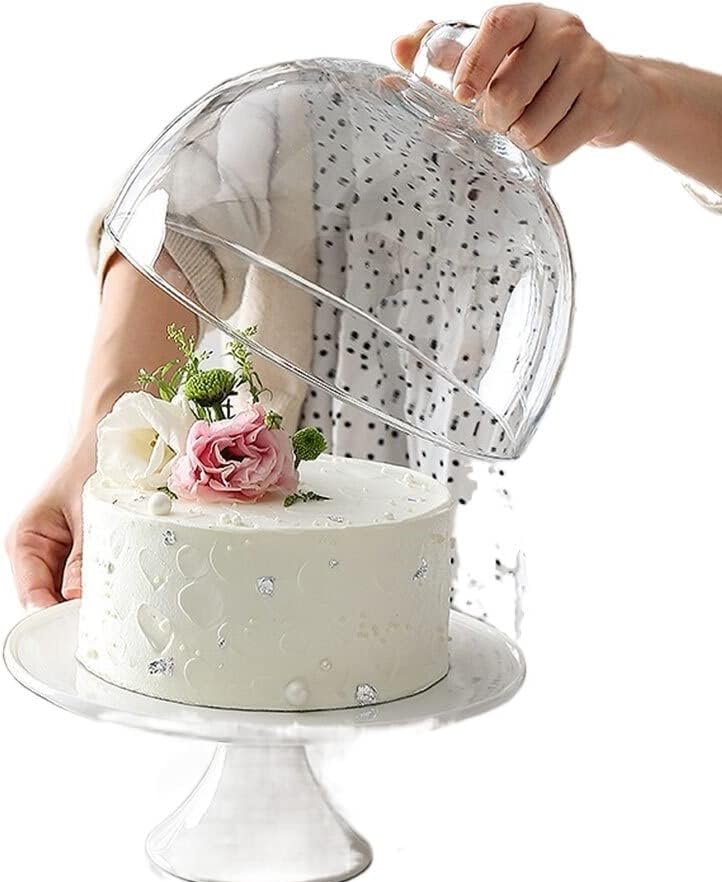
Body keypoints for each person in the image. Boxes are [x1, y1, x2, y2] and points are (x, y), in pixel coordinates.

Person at [6, 4, 722, 611]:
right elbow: (183, 225)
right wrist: (106, 437)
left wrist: (635, 95)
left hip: (454, 583)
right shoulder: (295, 113)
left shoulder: (526, 165)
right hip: (249, 585)